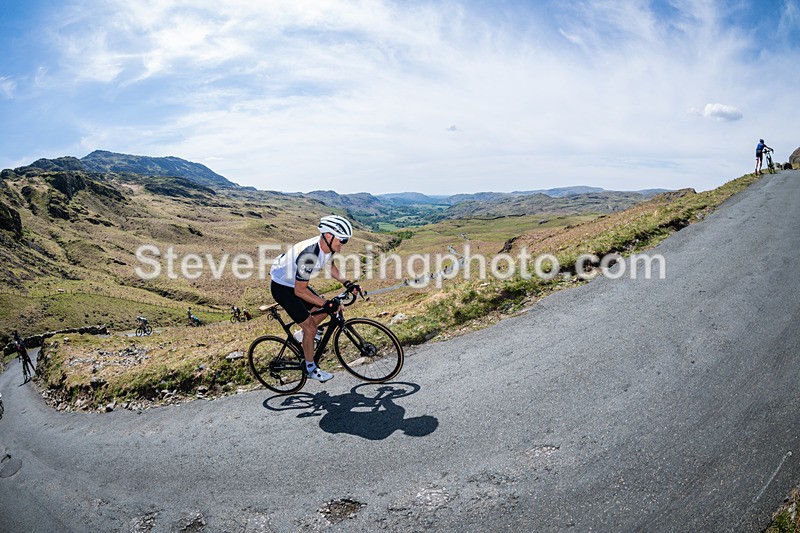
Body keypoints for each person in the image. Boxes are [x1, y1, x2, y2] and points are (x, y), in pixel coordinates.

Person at [270, 215, 361, 382]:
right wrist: (326, 302)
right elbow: (300, 291)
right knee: (312, 326)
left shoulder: (327, 246)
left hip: (294, 284)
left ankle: (303, 336)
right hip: (283, 287)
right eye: (342, 240)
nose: (343, 244)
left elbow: (329, 265)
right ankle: (310, 368)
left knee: (325, 310)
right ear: (328, 236)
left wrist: (346, 283)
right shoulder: (309, 255)